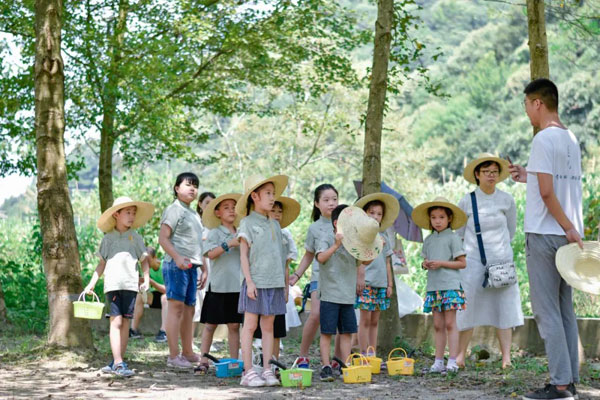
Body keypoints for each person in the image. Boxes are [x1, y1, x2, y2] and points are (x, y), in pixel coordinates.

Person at [510, 78, 583, 400]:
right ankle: (570, 378)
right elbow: (552, 183)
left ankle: (560, 385)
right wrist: (526, 175)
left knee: (547, 311)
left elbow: (547, 192)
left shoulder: (542, 139)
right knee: (564, 309)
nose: (526, 111)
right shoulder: (570, 138)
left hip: (546, 233)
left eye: (526, 105)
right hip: (569, 239)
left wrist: (565, 225)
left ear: (537, 103)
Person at [455, 153, 524, 369]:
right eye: (486, 172)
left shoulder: (506, 199)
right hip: (473, 261)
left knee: (504, 307)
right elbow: (458, 233)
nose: (491, 176)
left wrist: (500, 252)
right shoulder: (467, 200)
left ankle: (506, 358)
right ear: (477, 174)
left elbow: (510, 230)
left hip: (502, 262)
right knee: (467, 307)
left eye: (495, 172)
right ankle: (460, 356)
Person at [84, 196, 154, 377]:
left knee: (125, 323)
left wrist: (146, 279)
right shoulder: (108, 239)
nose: (131, 216)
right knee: (115, 321)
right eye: (127, 213)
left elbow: (144, 260)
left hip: (131, 286)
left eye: (133, 213)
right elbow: (101, 264)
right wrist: (91, 284)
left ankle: (118, 360)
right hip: (113, 285)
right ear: (116, 214)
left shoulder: (136, 237)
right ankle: (118, 362)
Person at [316, 204, 382, 382]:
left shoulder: (353, 242)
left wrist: (375, 251)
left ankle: (345, 364)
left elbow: (362, 262)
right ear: (337, 223)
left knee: (347, 332)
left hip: (347, 296)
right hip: (329, 295)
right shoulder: (325, 238)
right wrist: (336, 245)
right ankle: (326, 365)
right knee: (327, 332)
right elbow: (320, 258)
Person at [236, 174, 289, 387]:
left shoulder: (275, 225)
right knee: (249, 326)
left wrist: (284, 285)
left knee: (269, 327)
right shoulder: (247, 223)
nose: (272, 198)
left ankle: (267, 369)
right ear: (255, 196)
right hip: (255, 283)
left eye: (273, 194)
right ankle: (247, 371)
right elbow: (243, 255)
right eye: (267, 193)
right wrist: (249, 281)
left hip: (274, 283)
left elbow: (281, 258)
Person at [412, 197, 467, 373]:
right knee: (437, 325)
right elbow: (426, 260)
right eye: (434, 217)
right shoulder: (428, 240)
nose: (437, 221)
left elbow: (462, 263)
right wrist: (425, 264)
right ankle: (438, 360)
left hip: (450, 286)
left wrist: (442, 263)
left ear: (449, 218)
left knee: (450, 323)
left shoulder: (453, 237)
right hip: (434, 287)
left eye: (441, 217)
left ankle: (452, 360)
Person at [159, 172, 208, 369]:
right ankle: (173, 356)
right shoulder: (174, 210)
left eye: (195, 185)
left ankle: (187, 352)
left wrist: (204, 268)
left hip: (192, 267)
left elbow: (198, 244)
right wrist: (178, 257)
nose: (192, 188)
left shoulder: (195, 214)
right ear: (177, 188)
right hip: (175, 265)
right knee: (176, 308)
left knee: (189, 310)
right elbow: (163, 238)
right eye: (188, 184)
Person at [288, 184, 339, 369]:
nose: (331, 203)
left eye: (334, 199)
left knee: (340, 319)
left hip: (341, 281)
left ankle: (337, 359)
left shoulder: (345, 225)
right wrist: (296, 275)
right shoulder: (314, 228)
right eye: (326, 200)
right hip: (320, 278)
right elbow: (309, 254)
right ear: (317, 204)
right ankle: (303, 355)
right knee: (316, 314)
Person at [195, 193, 243, 374]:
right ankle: (203, 360)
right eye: (226, 208)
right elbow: (210, 254)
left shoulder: (241, 232)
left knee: (234, 325)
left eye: (234, 207)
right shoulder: (214, 233)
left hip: (237, 287)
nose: (231, 210)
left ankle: (233, 362)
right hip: (218, 286)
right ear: (217, 213)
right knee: (210, 325)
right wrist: (229, 244)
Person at [253, 197, 300, 367]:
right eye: (274, 210)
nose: (277, 214)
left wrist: (286, 287)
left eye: (280, 211)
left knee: (277, 326)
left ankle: (275, 361)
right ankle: (258, 360)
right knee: (258, 325)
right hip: (261, 284)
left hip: (279, 285)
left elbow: (286, 264)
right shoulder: (257, 231)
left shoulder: (285, 235)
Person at [354, 193, 399, 356]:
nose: (375, 216)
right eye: (372, 212)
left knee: (374, 320)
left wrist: (389, 284)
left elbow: (387, 262)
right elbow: (358, 259)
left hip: (380, 284)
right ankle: (363, 351)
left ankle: (372, 352)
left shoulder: (383, 235)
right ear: (365, 213)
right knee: (364, 320)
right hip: (366, 282)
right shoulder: (361, 235)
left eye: (379, 214)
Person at [130, 246, 168, 343]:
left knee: (165, 298)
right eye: (143, 261)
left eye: (148, 260)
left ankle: (164, 332)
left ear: (155, 258)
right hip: (155, 297)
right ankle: (133, 330)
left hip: (168, 298)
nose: (145, 264)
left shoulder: (165, 266)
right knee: (139, 296)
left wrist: (151, 282)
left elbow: (168, 291)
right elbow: (146, 289)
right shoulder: (146, 270)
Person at [193, 192, 216, 341]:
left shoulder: (216, 225)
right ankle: (190, 340)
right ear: (200, 204)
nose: (209, 205)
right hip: (197, 265)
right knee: (195, 304)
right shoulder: (195, 221)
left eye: (213, 203)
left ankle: (205, 339)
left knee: (209, 303)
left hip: (213, 266)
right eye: (207, 202)